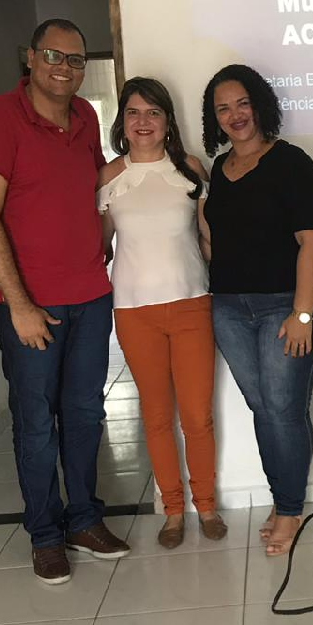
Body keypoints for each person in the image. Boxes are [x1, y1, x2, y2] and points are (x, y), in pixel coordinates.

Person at [0, 18, 131, 585]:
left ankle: (84, 520)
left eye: (76, 60)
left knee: (85, 415)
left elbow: (91, 187)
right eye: (54, 56)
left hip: (90, 296)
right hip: (31, 305)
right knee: (36, 422)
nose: (65, 68)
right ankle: (45, 534)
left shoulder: (84, 117)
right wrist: (19, 305)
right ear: (31, 58)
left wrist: (147, 159)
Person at [200, 64, 313, 557]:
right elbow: (219, 240)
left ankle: (290, 509)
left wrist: (303, 315)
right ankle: (283, 500)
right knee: (265, 408)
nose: (234, 115)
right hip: (230, 307)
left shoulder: (293, 163)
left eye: (242, 103)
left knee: (282, 409)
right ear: (214, 118)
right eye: (223, 109)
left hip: (286, 304)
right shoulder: (219, 170)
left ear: (259, 105)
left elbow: (312, 243)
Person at [97, 77, 226, 548]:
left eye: (153, 112)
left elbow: (209, 236)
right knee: (155, 417)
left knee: (197, 416)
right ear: (122, 122)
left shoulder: (189, 168)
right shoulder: (110, 176)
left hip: (192, 304)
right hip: (134, 312)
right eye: (133, 112)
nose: (143, 121)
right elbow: (100, 246)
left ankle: (206, 505)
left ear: (167, 120)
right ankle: (172, 511)